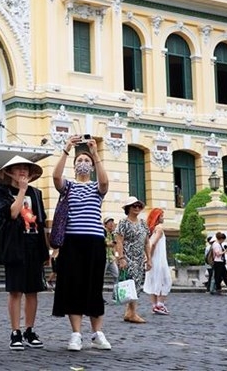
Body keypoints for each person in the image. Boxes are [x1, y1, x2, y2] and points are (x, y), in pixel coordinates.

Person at [51, 135, 111, 352]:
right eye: (80, 161)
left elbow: (105, 183)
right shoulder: (68, 186)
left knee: (94, 287)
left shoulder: (96, 186)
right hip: (72, 243)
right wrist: (67, 149)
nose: (83, 164)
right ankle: (76, 334)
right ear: (75, 167)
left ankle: (97, 333)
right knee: (74, 287)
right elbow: (56, 176)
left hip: (95, 242)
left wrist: (94, 153)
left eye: (86, 162)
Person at [0, 155, 49, 351]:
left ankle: (29, 329)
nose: (23, 171)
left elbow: (41, 221)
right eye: (18, 168)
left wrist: (46, 249)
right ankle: (15, 331)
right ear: (9, 172)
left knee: (33, 290)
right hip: (15, 244)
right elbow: (12, 213)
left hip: (34, 243)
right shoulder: (2, 192)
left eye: (25, 168)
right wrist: (22, 190)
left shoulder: (37, 193)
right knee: (16, 290)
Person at [114, 196, 151, 324]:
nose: (136, 208)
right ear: (128, 208)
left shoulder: (143, 224)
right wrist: (121, 257)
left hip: (140, 259)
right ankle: (133, 313)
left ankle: (129, 312)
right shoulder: (123, 223)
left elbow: (147, 243)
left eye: (138, 206)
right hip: (128, 257)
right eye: (133, 206)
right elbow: (119, 241)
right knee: (132, 284)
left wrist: (149, 259)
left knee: (136, 284)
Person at [143, 208, 172, 315]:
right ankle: (160, 304)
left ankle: (155, 305)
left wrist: (148, 256)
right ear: (158, 217)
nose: (163, 217)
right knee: (165, 280)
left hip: (153, 258)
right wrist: (149, 257)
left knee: (153, 280)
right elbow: (153, 243)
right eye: (162, 215)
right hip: (158, 258)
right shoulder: (159, 228)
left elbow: (149, 243)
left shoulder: (151, 229)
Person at [211, 232, 227, 296]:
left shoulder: (218, 244)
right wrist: (225, 251)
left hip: (220, 262)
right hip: (218, 262)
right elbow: (218, 254)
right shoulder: (216, 244)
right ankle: (219, 289)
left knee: (225, 276)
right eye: (223, 240)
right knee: (219, 276)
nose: (223, 241)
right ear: (221, 239)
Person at [103, 217, 119, 303]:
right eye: (110, 223)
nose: (112, 224)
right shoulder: (103, 232)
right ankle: (98, 297)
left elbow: (114, 248)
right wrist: (112, 243)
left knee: (116, 275)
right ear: (105, 224)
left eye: (113, 222)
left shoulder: (112, 234)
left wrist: (116, 257)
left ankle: (116, 296)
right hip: (104, 258)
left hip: (111, 259)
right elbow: (106, 243)